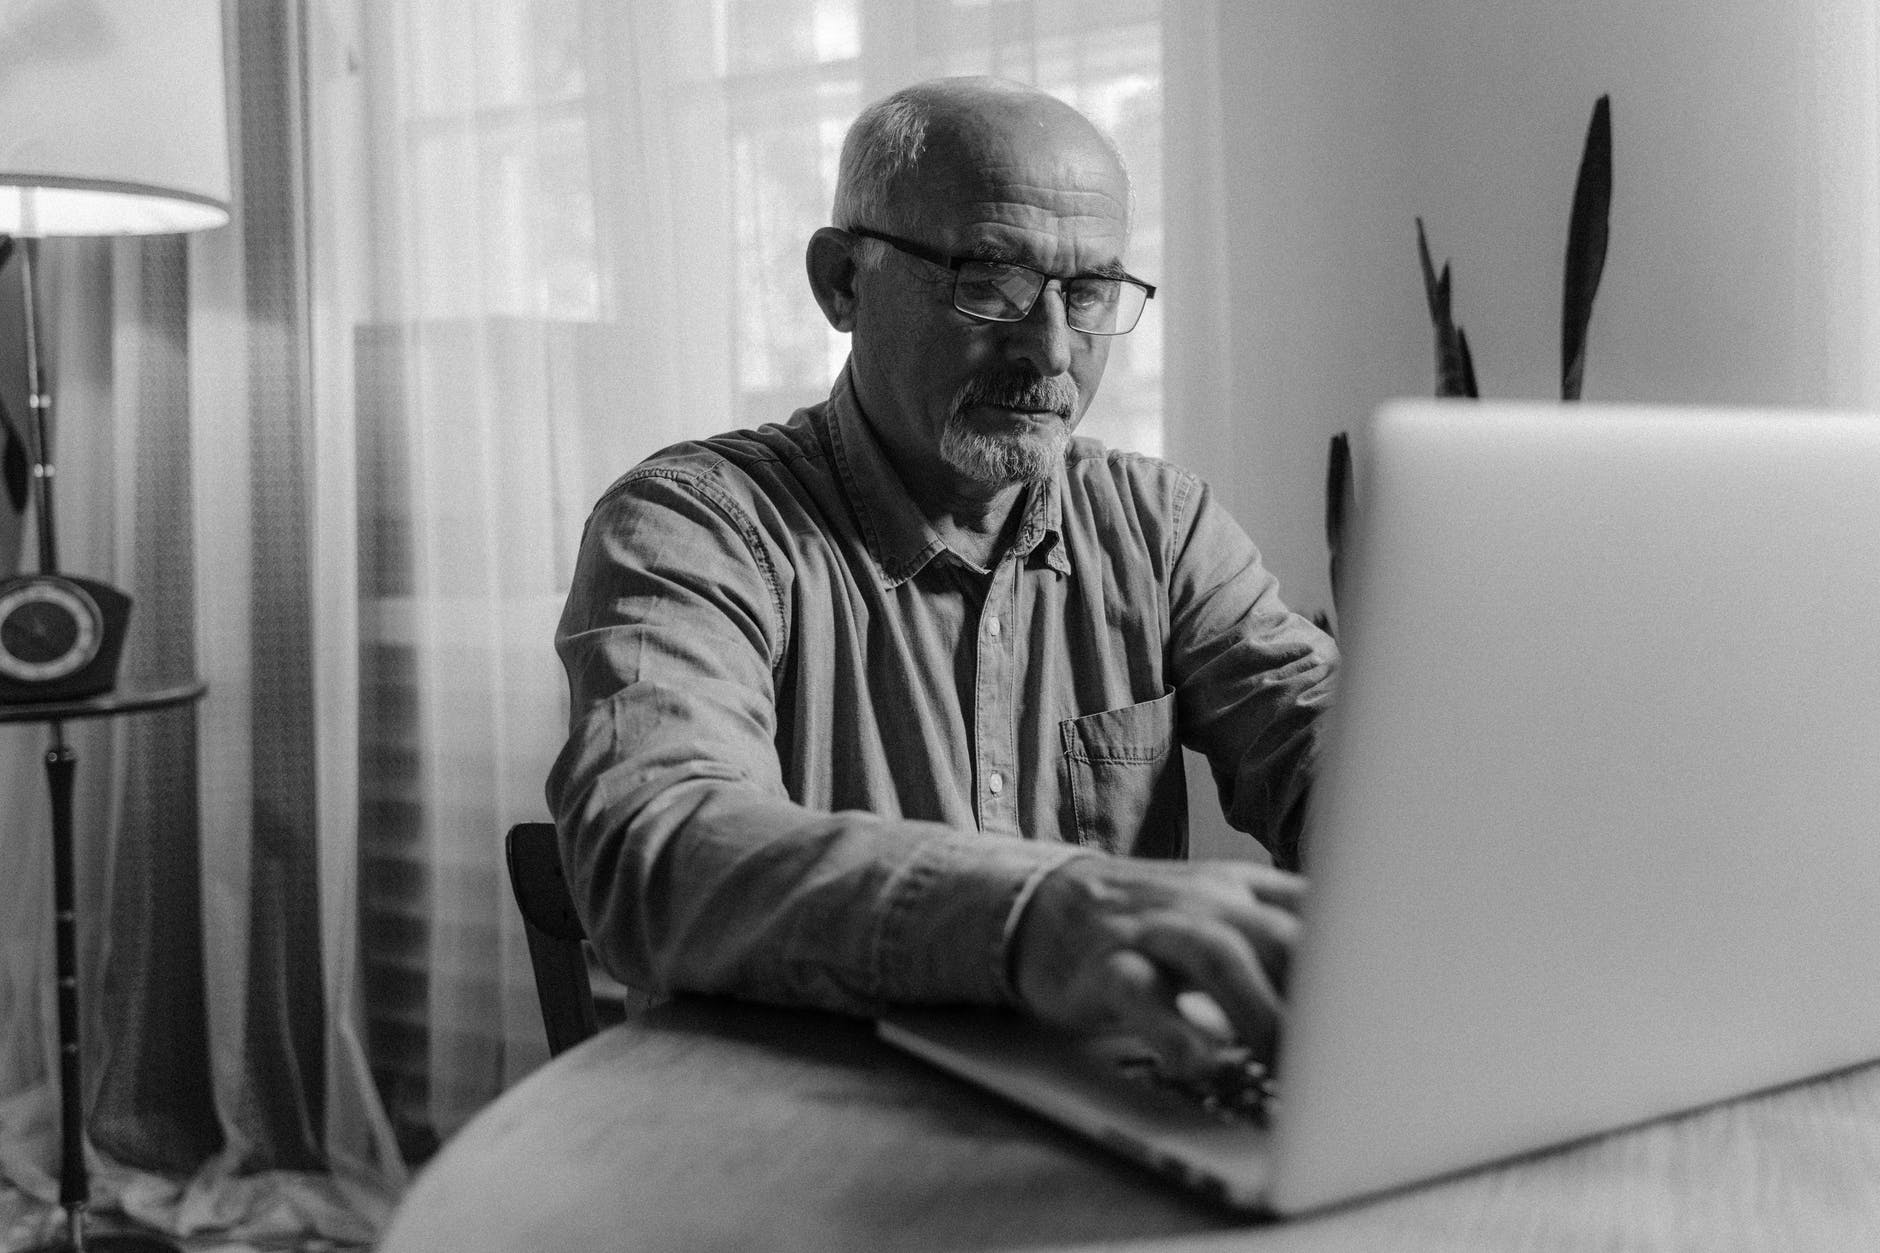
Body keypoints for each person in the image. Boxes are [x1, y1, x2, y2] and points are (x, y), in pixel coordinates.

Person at [548, 76, 1336, 1073]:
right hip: (790, 1136)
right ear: (841, 281)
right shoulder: (695, 524)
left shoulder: (1161, 529)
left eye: (1087, 293)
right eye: (990, 281)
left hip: (1101, 1117)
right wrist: (1033, 913)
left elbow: (1324, 745)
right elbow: (656, 852)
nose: (1049, 351)